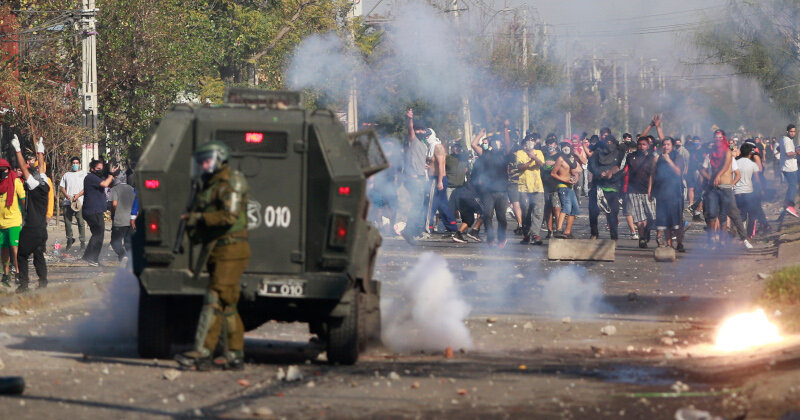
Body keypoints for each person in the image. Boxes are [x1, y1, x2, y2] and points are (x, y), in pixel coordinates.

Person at [175, 140, 250, 371]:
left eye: (207, 160)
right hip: (219, 249)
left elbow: (229, 216)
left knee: (214, 298)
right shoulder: (209, 184)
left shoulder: (231, 181)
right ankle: (234, 354)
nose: (203, 165)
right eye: (201, 162)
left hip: (231, 249)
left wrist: (200, 219)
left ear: (219, 159)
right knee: (227, 303)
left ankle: (203, 352)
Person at [10, 136, 50, 292]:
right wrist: (40, 151)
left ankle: (24, 284)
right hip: (42, 229)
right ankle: (43, 282)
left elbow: (24, 169)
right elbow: (40, 169)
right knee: (38, 255)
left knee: (21, 255)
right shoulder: (44, 182)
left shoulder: (33, 185)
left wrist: (18, 150)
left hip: (31, 228)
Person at [471, 123, 512, 247]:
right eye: (493, 142)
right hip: (488, 191)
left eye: (498, 142)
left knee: (501, 217)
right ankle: (490, 238)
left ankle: (502, 238)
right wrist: (480, 134)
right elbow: (474, 144)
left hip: (502, 191)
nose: (496, 143)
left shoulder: (504, 155)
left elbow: (509, 145)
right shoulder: (486, 154)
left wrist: (505, 129)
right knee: (487, 215)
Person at [395, 109, 430, 245]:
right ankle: (408, 230)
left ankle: (409, 231)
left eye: (422, 129)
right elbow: (410, 130)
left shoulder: (422, 144)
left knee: (418, 205)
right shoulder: (413, 139)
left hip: (420, 177)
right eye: (418, 129)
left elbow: (416, 158)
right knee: (416, 205)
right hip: (414, 178)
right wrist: (410, 119)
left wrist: (424, 165)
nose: (421, 131)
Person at [588, 134, 626, 240]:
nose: (609, 145)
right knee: (593, 211)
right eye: (607, 143)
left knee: (613, 213)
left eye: (611, 143)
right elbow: (592, 166)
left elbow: (621, 167)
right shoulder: (597, 153)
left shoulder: (619, 154)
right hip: (598, 187)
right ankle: (594, 233)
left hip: (612, 187)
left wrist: (612, 173)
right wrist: (600, 173)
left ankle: (614, 237)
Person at [649, 138, 685, 251]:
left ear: (672, 146)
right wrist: (650, 190)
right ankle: (669, 245)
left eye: (668, 145)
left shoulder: (678, 157)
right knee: (664, 221)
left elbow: (679, 172)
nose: (666, 147)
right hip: (661, 193)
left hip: (675, 194)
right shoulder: (657, 158)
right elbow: (652, 175)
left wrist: (669, 161)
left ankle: (679, 243)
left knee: (676, 221)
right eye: (664, 145)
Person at [423, 129, 458, 235]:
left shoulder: (437, 147)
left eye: (428, 135)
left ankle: (428, 226)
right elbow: (433, 163)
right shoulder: (430, 147)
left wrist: (439, 181)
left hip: (438, 179)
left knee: (430, 205)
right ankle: (452, 226)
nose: (426, 137)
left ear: (433, 135)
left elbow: (441, 165)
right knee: (442, 205)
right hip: (434, 179)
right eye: (425, 135)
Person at [82, 159, 116, 266]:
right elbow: (105, 184)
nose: (100, 171)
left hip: (95, 210)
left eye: (102, 169)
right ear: (92, 169)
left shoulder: (96, 178)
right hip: (93, 210)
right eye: (98, 169)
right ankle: (92, 258)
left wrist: (110, 176)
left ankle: (88, 257)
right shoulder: (91, 177)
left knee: (97, 234)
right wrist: (111, 175)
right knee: (98, 234)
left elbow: (109, 185)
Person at [624, 136, 657, 248]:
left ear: (648, 146)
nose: (641, 147)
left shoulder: (652, 158)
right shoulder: (630, 156)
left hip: (648, 191)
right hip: (633, 190)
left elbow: (654, 175)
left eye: (644, 144)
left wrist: (651, 190)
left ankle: (647, 231)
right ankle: (642, 238)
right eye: (639, 144)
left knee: (652, 217)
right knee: (639, 217)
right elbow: (623, 170)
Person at [0, 154, 25, 288]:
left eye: (5, 169)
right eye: (0, 170)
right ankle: (5, 274)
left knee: (14, 248)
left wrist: (26, 215)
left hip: (14, 220)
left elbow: (23, 198)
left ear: (9, 169)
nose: (3, 172)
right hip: (0, 222)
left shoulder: (15, 181)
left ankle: (18, 272)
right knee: (3, 250)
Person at [516, 138, 545, 245]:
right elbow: (520, 167)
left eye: (532, 140)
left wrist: (534, 157)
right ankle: (526, 234)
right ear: (524, 144)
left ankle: (535, 235)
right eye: (528, 141)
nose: (530, 142)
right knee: (526, 212)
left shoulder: (539, 152)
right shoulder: (519, 153)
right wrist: (531, 160)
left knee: (538, 212)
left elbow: (542, 165)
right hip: (524, 188)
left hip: (538, 187)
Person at [551, 142, 582, 238]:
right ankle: (558, 230)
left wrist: (576, 177)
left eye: (568, 146)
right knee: (566, 207)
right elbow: (553, 173)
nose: (566, 148)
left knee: (575, 209)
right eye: (564, 146)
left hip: (570, 187)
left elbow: (575, 170)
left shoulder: (571, 159)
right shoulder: (560, 159)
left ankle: (567, 231)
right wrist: (564, 179)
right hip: (562, 186)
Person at [734, 143, 765, 238]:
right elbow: (757, 180)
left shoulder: (735, 162)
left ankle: (741, 234)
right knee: (752, 214)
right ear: (749, 153)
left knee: (741, 213)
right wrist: (761, 189)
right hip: (749, 192)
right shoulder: (752, 164)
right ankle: (749, 234)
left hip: (736, 192)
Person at [59, 156, 87, 252]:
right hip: (68, 202)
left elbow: (86, 187)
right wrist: (66, 195)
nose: (75, 164)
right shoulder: (67, 175)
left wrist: (78, 195)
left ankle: (82, 242)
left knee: (80, 222)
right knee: (67, 222)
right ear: (71, 164)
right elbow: (62, 187)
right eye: (73, 163)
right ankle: (69, 239)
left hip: (79, 202)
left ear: (79, 164)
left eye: (76, 163)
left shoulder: (83, 174)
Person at [110, 172, 136, 262]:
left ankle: (122, 255)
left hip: (119, 220)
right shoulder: (132, 189)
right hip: (131, 220)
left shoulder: (114, 189)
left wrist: (113, 214)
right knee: (128, 242)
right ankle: (130, 260)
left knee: (115, 242)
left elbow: (114, 204)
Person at [541, 135, 561, 238]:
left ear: (556, 145)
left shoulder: (560, 156)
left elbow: (566, 164)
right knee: (547, 210)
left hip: (556, 186)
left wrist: (554, 162)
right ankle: (550, 231)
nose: (550, 145)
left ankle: (558, 229)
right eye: (548, 143)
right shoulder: (544, 155)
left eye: (552, 143)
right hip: (545, 186)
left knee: (556, 209)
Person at [779, 124, 799, 217]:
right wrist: (796, 152)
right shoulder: (787, 140)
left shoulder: (784, 139)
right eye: (791, 131)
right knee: (793, 186)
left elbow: (779, 148)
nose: (793, 133)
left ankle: (786, 204)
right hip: (789, 167)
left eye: (794, 131)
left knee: (792, 186)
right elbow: (788, 153)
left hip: (787, 167)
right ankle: (790, 205)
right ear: (787, 132)